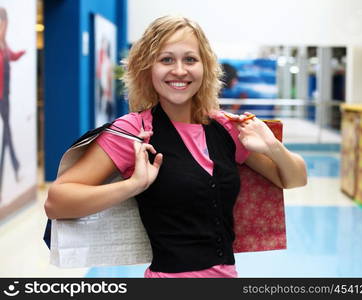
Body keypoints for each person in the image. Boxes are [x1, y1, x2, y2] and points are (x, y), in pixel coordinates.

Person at [44, 16, 307, 278]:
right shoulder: (135, 131)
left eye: (190, 59)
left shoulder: (225, 128)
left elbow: (295, 179)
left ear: (205, 67)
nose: (179, 70)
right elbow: (57, 202)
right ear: (147, 68)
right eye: (166, 59)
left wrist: (272, 146)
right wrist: (132, 185)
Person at [0, 7, 25, 201]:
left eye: (4, 23)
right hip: (0, 96)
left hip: (5, 95)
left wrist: (23, 53)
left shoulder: (3, 44)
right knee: (6, 133)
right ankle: (14, 166)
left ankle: (11, 167)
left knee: (6, 134)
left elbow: (12, 56)